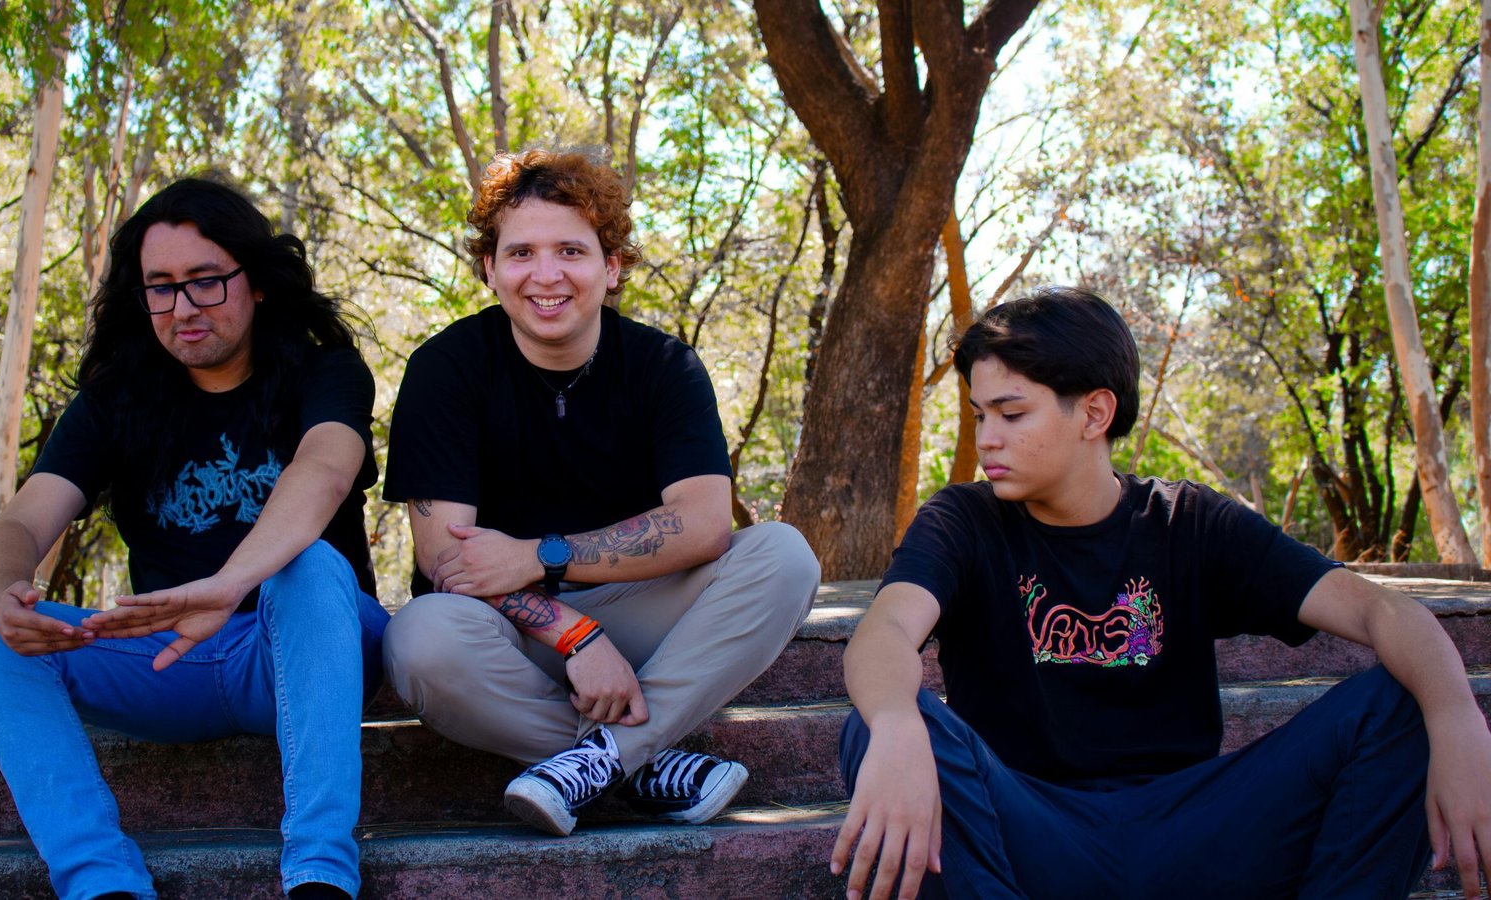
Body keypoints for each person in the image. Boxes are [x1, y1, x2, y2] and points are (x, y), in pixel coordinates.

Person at [832, 286, 1491, 899]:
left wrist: (1457, 719)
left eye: (1011, 413)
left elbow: (1380, 609)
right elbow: (885, 632)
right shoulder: (963, 521)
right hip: (1031, 831)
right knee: (878, 722)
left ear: (1095, 413)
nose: (987, 439)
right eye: (980, 415)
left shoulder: (1190, 523)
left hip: (1195, 830)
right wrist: (895, 724)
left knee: (1408, 703)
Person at [0, 178, 389, 900]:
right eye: (160, 287)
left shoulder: (325, 371)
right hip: (170, 658)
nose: (183, 307)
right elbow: (22, 522)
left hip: (303, 651)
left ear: (257, 283)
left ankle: (320, 873)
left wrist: (227, 587)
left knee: (311, 565)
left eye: (206, 280)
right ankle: (102, 883)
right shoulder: (116, 399)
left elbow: (324, 471)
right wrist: (2, 590)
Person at [382, 148, 819, 837]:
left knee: (784, 556)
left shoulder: (664, 366)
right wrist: (576, 636)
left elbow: (705, 525)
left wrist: (537, 554)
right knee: (420, 639)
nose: (546, 275)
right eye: (520, 253)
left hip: (646, 618)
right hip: (510, 635)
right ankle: (639, 762)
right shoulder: (445, 369)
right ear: (490, 269)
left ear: (611, 267)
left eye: (571, 251)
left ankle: (600, 759)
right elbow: (447, 561)